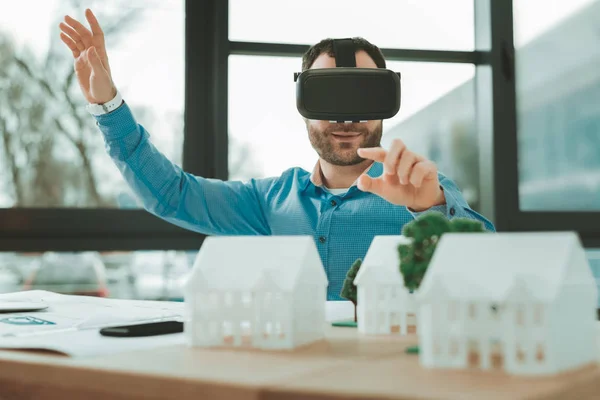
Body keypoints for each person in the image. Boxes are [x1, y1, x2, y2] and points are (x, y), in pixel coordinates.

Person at [59, 9, 495, 300]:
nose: (346, 118)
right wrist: (107, 106)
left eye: (361, 94)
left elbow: (494, 277)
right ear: (303, 107)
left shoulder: (425, 194)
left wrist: (432, 209)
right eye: (328, 97)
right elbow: (172, 194)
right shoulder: (269, 202)